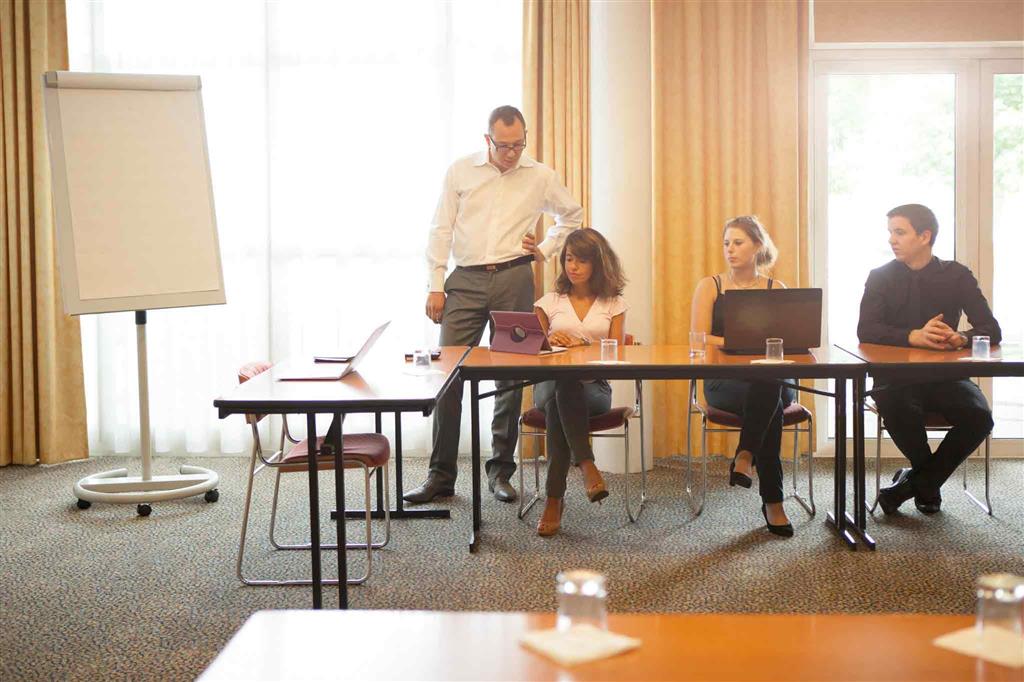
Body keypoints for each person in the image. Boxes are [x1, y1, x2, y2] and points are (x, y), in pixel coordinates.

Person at [404, 105, 584, 504]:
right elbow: (441, 229)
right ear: (488, 139)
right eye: (504, 146)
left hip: (514, 277)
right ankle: (440, 475)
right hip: (465, 280)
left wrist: (544, 249)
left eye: (518, 144)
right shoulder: (461, 170)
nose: (511, 153)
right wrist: (436, 284)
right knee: (449, 373)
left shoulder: (541, 176)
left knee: (510, 376)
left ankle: (501, 472)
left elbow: (572, 215)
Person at [857, 203, 1000, 515]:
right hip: (895, 380)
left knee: (980, 417)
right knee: (900, 410)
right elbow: (866, 330)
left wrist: (961, 338)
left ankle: (910, 486)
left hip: (946, 376)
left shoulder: (957, 275)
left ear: (925, 236)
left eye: (899, 232)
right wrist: (912, 336)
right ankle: (927, 485)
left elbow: (991, 330)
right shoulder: (880, 277)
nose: (891, 239)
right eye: (890, 232)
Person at [689, 215, 795, 537]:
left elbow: (788, 340)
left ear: (757, 246)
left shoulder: (776, 288)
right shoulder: (710, 286)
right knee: (770, 403)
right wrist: (739, 341)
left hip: (771, 378)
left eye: (738, 242)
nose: (730, 250)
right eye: (726, 243)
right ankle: (773, 501)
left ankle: (746, 454)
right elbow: (698, 338)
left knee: (768, 384)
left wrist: (757, 345)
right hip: (725, 381)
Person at [532, 229, 627, 537]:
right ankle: (587, 465)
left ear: (598, 263)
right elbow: (533, 351)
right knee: (562, 385)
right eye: (569, 259)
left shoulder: (613, 304)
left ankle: (554, 500)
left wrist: (582, 345)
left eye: (582, 260)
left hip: (595, 388)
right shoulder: (548, 302)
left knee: (560, 403)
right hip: (548, 383)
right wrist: (550, 342)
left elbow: (616, 353)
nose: (573, 266)